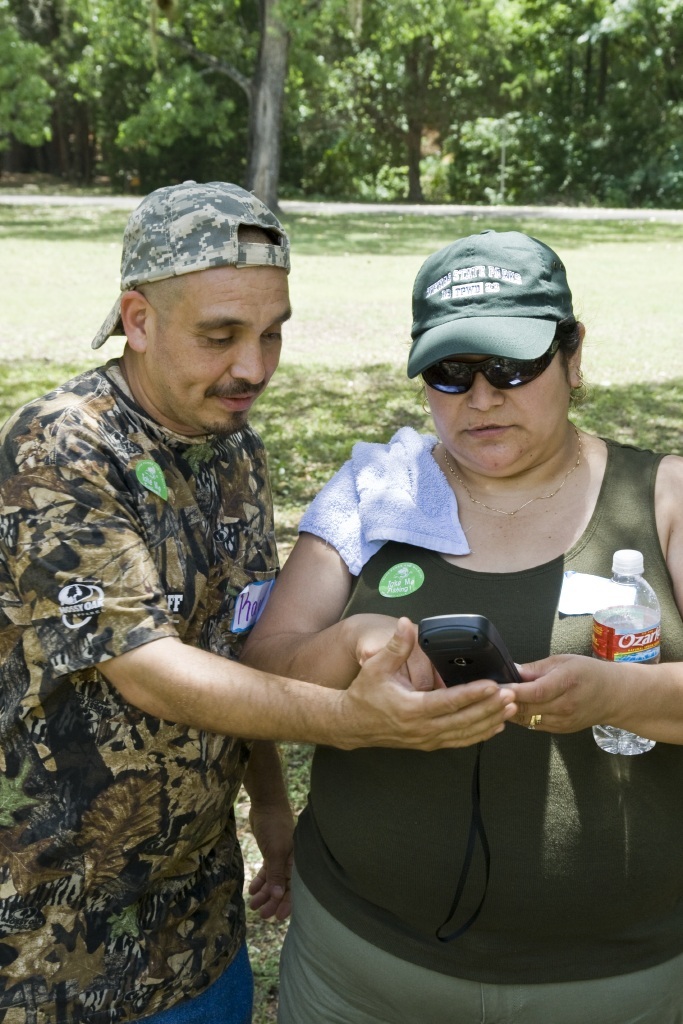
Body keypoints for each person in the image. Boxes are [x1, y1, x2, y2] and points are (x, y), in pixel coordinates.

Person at [0, 186, 514, 1024]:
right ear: (138, 319)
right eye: (220, 335)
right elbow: (153, 671)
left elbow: (232, 639)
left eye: (272, 332)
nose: (254, 367)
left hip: (198, 932)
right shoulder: (60, 449)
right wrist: (354, 720)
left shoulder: (235, 449)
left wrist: (267, 800)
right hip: (54, 948)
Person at [242, 229, 683, 1024]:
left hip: (615, 982)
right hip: (360, 969)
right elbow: (263, 669)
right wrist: (348, 649)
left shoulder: (661, 499)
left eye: (512, 367)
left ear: (572, 356)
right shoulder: (376, 488)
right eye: (449, 373)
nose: (480, 399)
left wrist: (616, 694)